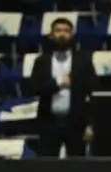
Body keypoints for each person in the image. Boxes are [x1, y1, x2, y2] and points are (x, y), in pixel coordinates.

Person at [29, 18, 96, 158]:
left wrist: (91, 124)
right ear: (51, 35)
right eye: (58, 30)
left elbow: (93, 93)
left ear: (72, 35)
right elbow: (34, 88)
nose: (62, 34)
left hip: (76, 123)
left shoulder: (83, 61)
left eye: (66, 31)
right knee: (47, 166)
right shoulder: (41, 61)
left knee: (77, 166)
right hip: (49, 122)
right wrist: (58, 83)